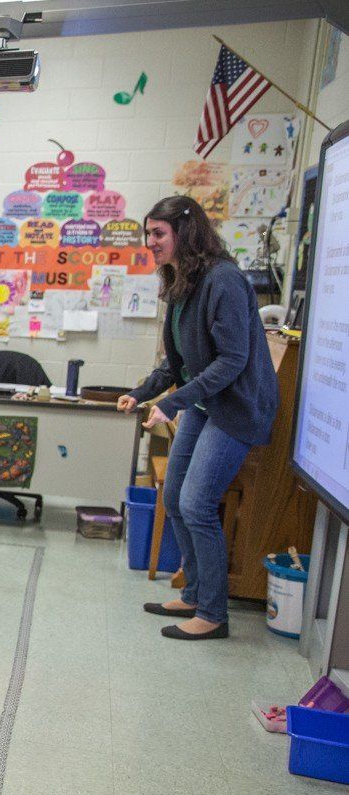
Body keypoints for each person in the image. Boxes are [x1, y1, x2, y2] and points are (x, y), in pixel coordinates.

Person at [118, 195, 279, 640]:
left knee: (196, 502)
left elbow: (231, 361)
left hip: (237, 407)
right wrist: (141, 393)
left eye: (157, 234)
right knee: (174, 493)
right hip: (206, 403)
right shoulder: (179, 283)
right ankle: (192, 592)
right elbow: (177, 364)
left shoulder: (224, 280)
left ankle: (212, 614)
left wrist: (171, 403)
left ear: (185, 233)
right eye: (147, 233)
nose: (149, 242)